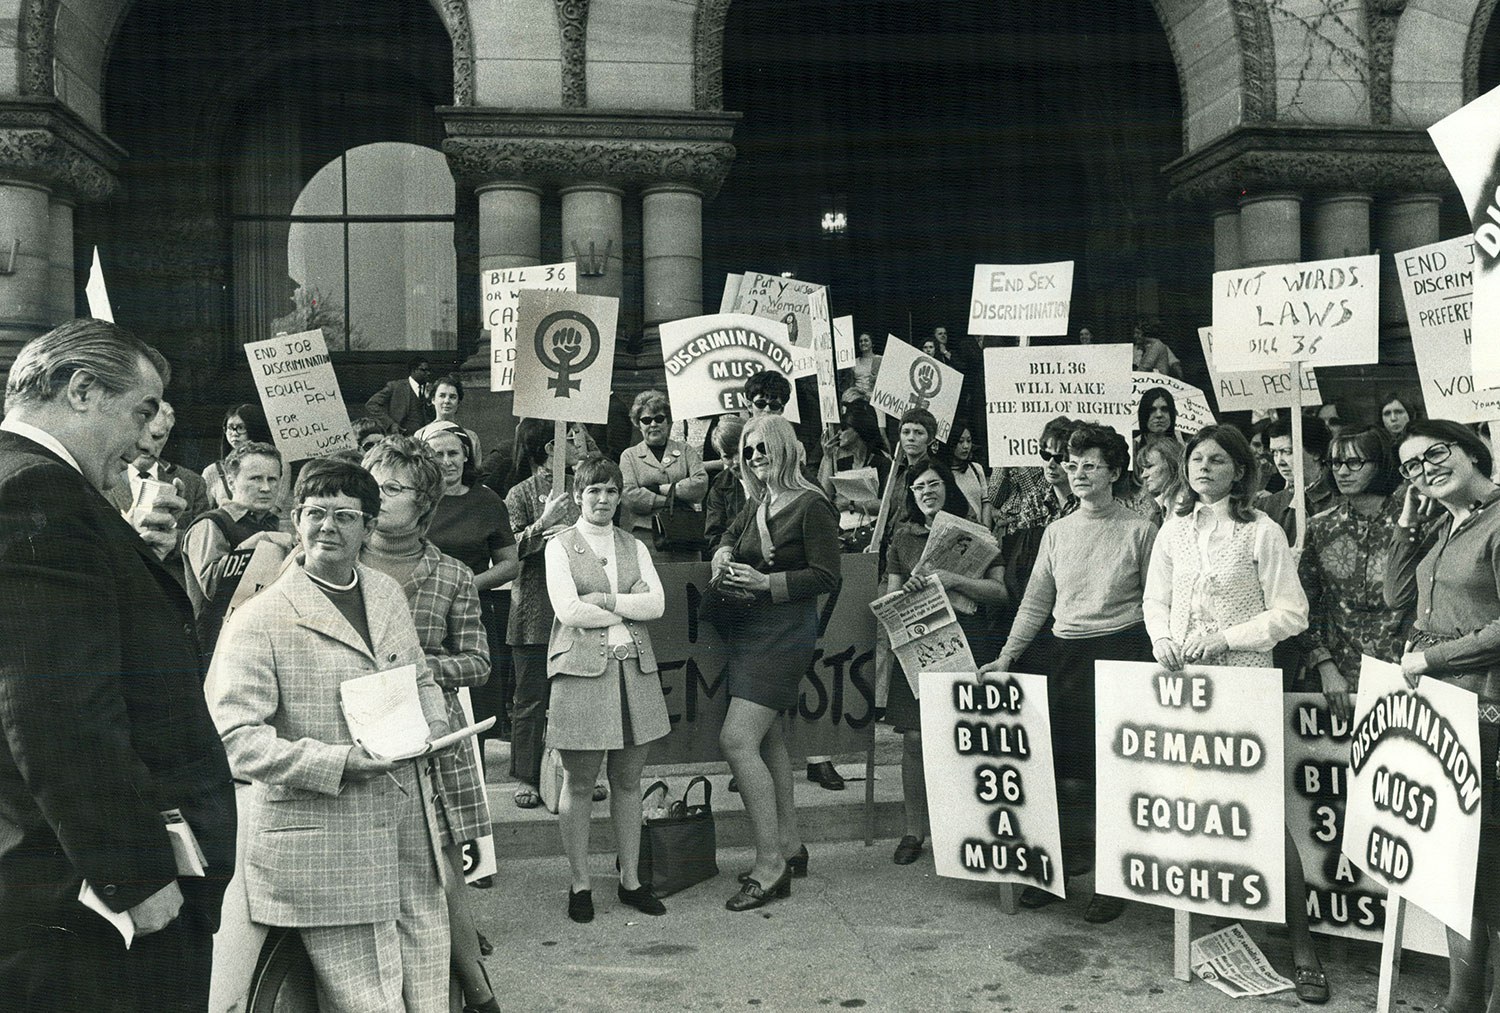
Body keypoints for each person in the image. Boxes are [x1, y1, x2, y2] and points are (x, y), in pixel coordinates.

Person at [0, 318, 236, 1011]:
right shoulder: (40, 496)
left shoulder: (36, 491)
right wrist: (135, 874)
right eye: (141, 409)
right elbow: (55, 712)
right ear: (80, 390)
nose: (148, 437)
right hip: (89, 900)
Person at [210, 458, 451, 1012]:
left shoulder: (386, 593)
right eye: (315, 513)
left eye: (345, 516)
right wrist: (339, 763)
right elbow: (236, 739)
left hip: (408, 833)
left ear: (370, 527)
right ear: (295, 520)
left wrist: (433, 725)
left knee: (431, 993)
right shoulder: (260, 617)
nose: (328, 527)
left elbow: (418, 677)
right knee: (371, 1003)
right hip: (326, 847)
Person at [1143, 424, 1327, 1004]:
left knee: (1263, 812)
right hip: (1183, 686)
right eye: (1196, 458)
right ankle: (1199, 931)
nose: (1203, 468)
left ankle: (1303, 950)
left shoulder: (1261, 531)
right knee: (1196, 808)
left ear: (1239, 471)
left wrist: (1226, 639)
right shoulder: (1173, 529)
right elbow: (1156, 598)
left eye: (1217, 460)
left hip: (1242, 682)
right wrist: (1160, 639)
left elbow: (1291, 613)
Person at [981, 424, 1156, 922]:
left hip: (1122, 656)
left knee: (1112, 777)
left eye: (1090, 466)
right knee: (1060, 775)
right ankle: (1052, 876)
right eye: (1073, 465)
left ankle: (1111, 882)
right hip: (1066, 657)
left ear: (1115, 472)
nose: (1077, 473)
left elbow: (1155, 603)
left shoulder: (1141, 530)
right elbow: (1037, 601)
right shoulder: (1056, 531)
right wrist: (1008, 657)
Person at [359, 436, 499, 1013]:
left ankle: (475, 989)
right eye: (371, 483)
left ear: (423, 503)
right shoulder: (337, 556)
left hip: (427, 737)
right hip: (355, 738)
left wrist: (420, 668)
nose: (376, 496)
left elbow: (479, 662)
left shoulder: (453, 575)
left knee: (440, 869)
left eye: (391, 488)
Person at [1384, 420, 1500, 1013]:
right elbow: (1396, 596)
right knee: (1460, 868)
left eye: (1436, 453)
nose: (1426, 468)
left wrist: (1431, 657)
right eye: (1411, 466)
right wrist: (1409, 519)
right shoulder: (1441, 525)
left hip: (1488, 712)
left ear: (1472, 451)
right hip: (1448, 715)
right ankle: (1463, 1000)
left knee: (1490, 872)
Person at [708, 415, 839, 910]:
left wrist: (768, 584)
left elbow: (827, 576)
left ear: (785, 449)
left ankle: (769, 866)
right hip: (749, 632)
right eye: (748, 449)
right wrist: (723, 556)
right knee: (769, 739)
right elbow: (728, 535)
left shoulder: (812, 505)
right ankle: (790, 845)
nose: (756, 456)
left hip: (785, 634)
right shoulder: (759, 501)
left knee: (736, 740)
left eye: (764, 448)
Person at [545, 457, 671, 923]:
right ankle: (580, 884)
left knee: (628, 781)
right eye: (593, 490)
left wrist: (606, 601)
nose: (602, 500)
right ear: (578, 494)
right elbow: (569, 611)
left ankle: (631, 880)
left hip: (633, 668)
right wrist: (627, 607)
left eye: (611, 491)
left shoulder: (634, 544)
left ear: (621, 497)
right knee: (579, 784)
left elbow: (656, 604)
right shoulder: (558, 546)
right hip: (580, 673)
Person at [885, 461, 1008, 867]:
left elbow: (999, 592)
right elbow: (890, 599)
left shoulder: (977, 534)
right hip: (921, 641)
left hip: (968, 641)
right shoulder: (902, 537)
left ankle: (968, 826)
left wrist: (954, 581)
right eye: (917, 486)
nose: (925, 491)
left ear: (949, 487)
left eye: (933, 483)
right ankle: (912, 830)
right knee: (915, 740)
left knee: (966, 737)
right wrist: (908, 591)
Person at [1295, 425, 1407, 723]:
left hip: (1407, 672)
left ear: (1381, 463)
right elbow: (1306, 607)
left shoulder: (1413, 521)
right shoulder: (1321, 527)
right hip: (1342, 679)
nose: (1343, 471)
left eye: (1355, 462)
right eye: (1335, 463)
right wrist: (1325, 667)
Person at [506, 418, 591, 808]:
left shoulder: (584, 489)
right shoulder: (519, 493)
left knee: (577, 695)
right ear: (551, 447)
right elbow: (510, 549)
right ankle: (526, 775)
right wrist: (544, 525)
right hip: (535, 612)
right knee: (531, 698)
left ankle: (579, 774)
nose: (580, 441)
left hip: (578, 610)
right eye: (572, 436)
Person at [421, 423, 519, 748]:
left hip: (471, 617)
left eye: (453, 453)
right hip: (422, 616)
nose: (447, 461)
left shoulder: (487, 502)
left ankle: (476, 786)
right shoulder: (415, 503)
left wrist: (463, 586)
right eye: (438, 454)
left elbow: (509, 564)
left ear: (466, 457)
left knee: (475, 714)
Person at [182, 440, 291, 663]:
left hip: (264, 638)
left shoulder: (270, 522)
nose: (266, 488)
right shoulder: (211, 524)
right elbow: (213, 587)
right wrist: (258, 542)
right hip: (217, 644)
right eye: (255, 478)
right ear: (231, 482)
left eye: (272, 479)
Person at [619, 389, 709, 562]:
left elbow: (700, 484)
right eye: (646, 420)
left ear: (668, 421)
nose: (653, 424)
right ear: (638, 424)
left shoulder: (685, 450)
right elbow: (629, 495)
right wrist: (675, 499)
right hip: (646, 536)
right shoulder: (629, 456)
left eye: (659, 418)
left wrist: (658, 489)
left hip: (686, 534)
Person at [105, 399, 211, 528]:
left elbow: (203, 537)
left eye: (156, 437)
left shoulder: (193, 483)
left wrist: (171, 538)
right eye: (140, 436)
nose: (147, 445)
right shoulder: (101, 477)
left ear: (167, 436)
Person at [1255, 414, 1335, 545]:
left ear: (1316, 452)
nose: (1279, 462)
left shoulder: (1341, 501)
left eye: (1287, 451)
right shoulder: (1266, 506)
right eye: (1274, 453)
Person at [204, 403, 292, 516]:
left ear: (254, 428)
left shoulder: (280, 464)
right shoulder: (212, 471)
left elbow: (274, 508)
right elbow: (204, 513)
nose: (234, 434)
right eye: (230, 427)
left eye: (241, 428)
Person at [415, 373, 482, 463]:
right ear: (433, 399)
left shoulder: (471, 437)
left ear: (458, 402)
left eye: (452, 397)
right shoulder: (420, 435)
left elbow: (476, 469)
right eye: (442, 396)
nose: (447, 401)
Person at [704, 414, 748, 550]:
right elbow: (714, 534)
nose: (735, 462)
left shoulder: (770, 475)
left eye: (738, 452)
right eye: (727, 456)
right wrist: (723, 554)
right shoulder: (720, 485)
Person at [365, 356, 435, 436]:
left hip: (424, 436)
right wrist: (390, 423)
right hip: (400, 436)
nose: (428, 373)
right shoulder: (396, 386)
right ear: (413, 370)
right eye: (423, 370)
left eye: (429, 370)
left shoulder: (430, 389)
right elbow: (371, 404)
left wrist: (429, 400)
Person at [1128, 433, 1183, 527]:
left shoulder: (1189, 508)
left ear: (1172, 464)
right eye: (1142, 469)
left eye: (1149, 466)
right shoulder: (1157, 511)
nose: (1143, 475)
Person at [943, 424, 990, 527]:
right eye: (960, 441)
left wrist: (986, 532)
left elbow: (985, 503)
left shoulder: (976, 469)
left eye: (969, 441)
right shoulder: (942, 473)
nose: (966, 446)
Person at [851, 331, 881, 398]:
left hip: (873, 398)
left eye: (866, 340)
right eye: (860, 341)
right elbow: (851, 383)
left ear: (872, 343)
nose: (863, 343)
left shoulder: (879, 359)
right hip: (857, 399)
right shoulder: (854, 362)